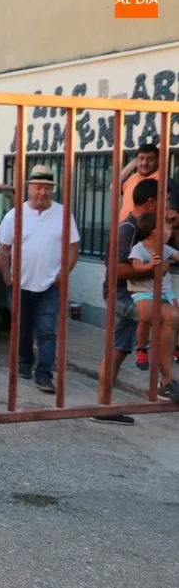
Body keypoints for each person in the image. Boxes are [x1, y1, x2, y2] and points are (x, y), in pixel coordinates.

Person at [0, 164, 80, 394]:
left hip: (50, 285)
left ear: (53, 190)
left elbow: (73, 248)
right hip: (20, 284)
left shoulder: (63, 214)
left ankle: (44, 374)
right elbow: (3, 249)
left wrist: (63, 274)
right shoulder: (15, 215)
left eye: (47, 188)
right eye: (38, 187)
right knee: (22, 329)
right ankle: (24, 363)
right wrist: (7, 277)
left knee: (46, 331)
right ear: (29, 188)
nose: (42, 192)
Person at [95, 178, 171, 424]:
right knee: (167, 318)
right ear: (152, 202)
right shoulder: (128, 229)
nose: (166, 206)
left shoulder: (143, 227)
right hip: (122, 295)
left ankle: (103, 408)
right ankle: (167, 382)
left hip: (132, 294)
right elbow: (116, 269)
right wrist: (153, 270)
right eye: (164, 201)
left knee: (117, 350)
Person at [126, 213, 179, 402]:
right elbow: (136, 267)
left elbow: (177, 255)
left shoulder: (165, 249)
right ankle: (141, 348)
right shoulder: (140, 248)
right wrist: (150, 266)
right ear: (154, 231)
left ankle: (174, 349)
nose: (170, 232)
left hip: (163, 293)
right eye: (167, 228)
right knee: (146, 316)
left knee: (176, 316)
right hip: (143, 292)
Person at [117, 143, 179, 224]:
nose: (144, 163)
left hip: (147, 231)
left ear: (158, 161)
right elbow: (113, 186)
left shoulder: (164, 181)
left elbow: (172, 216)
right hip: (124, 229)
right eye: (141, 159)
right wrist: (135, 162)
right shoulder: (132, 178)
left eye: (150, 159)